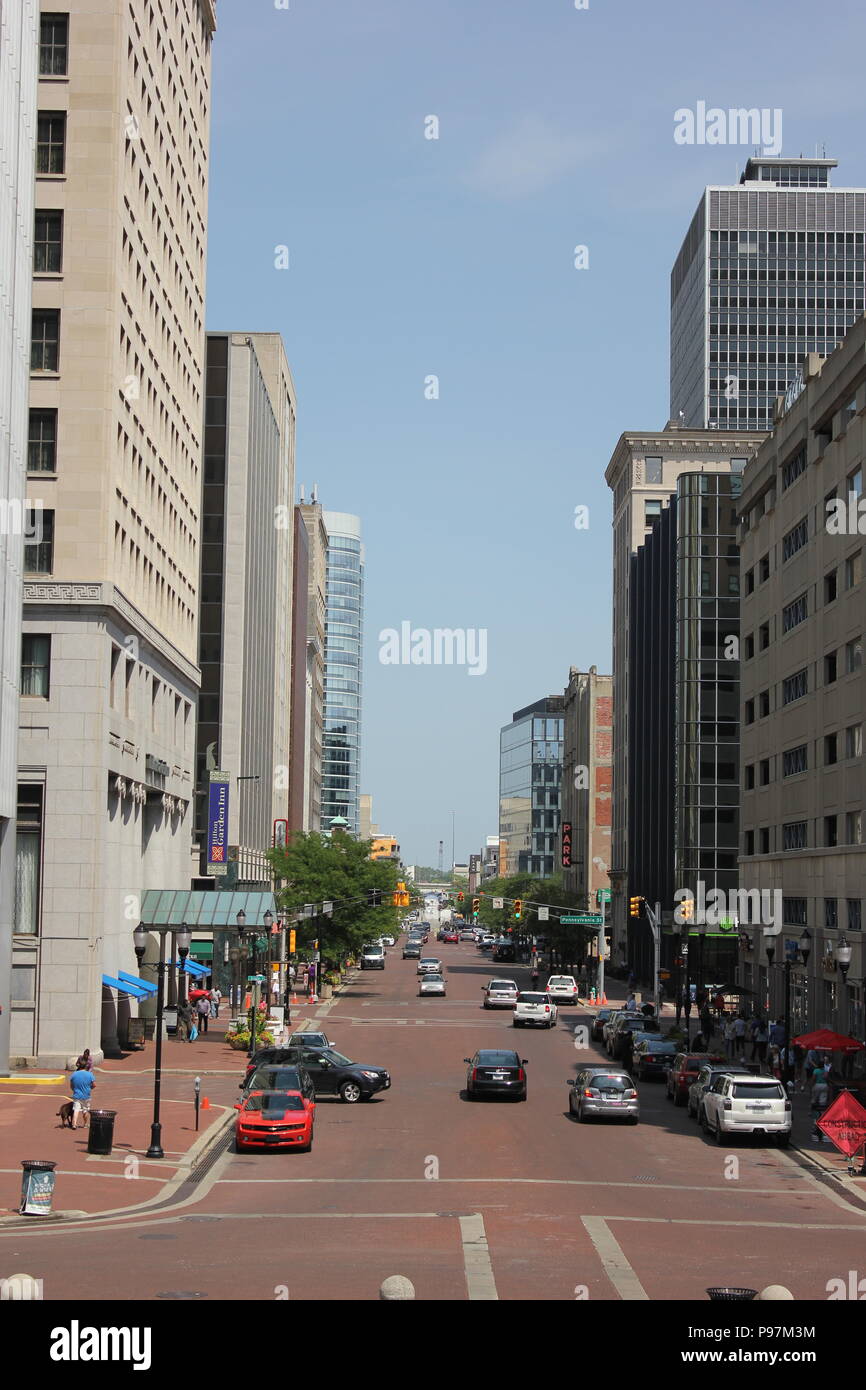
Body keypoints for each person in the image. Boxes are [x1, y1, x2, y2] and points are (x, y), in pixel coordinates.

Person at [70, 1060, 96, 1129]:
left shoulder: (74, 1074)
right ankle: (85, 1124)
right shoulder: (90, 1074)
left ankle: (74, 1124)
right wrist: (89, 1088)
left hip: (77, 1095)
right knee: (85, 1110)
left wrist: (74, 1090)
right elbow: (94, 1085)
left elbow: (72, 1085)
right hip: (86, 1095)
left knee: (76, 1109)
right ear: (86, 1066)